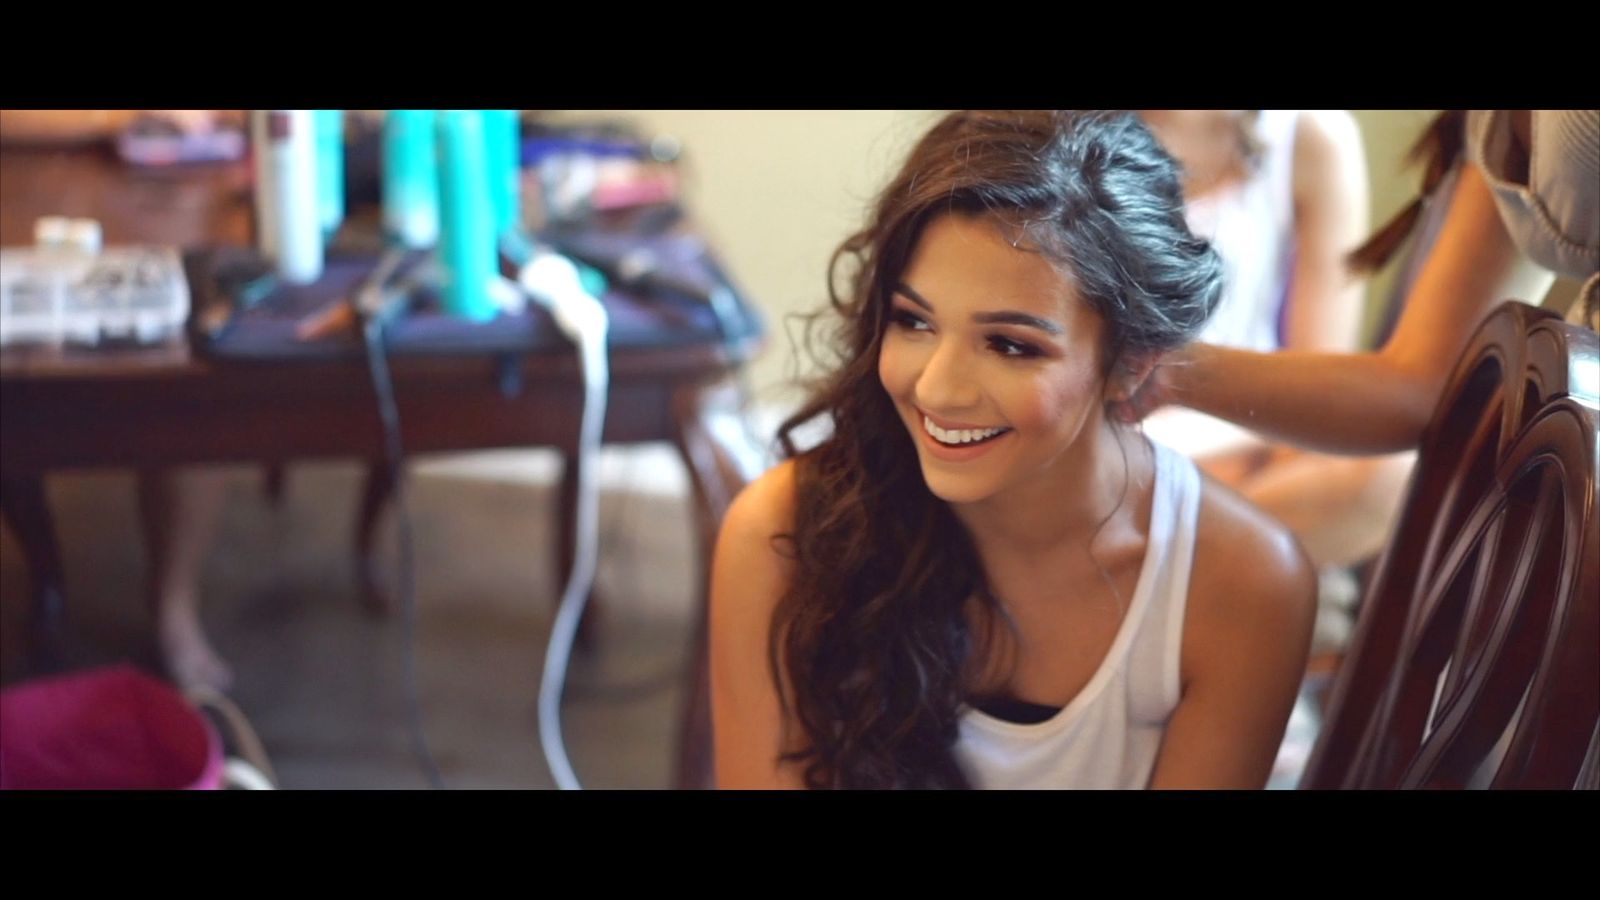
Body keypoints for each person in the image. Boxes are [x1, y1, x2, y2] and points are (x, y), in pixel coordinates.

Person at [709, 110, 1316, 789]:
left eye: (1010, 345)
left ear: (1134, 363)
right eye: (914, 321)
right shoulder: (783, 534)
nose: (938, 389)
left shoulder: (1242, 584)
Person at [1127, 110, 1598, 455]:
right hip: (1147, 419)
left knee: (1386, 479)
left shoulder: (1309, 135)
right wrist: (1163, 373)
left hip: (1232, 442)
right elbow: (1420, 385)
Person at [1, 109, 242, 690]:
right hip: (32, 201)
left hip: (175, 195)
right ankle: (47, 579)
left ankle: (173, 607)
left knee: (194, 381)